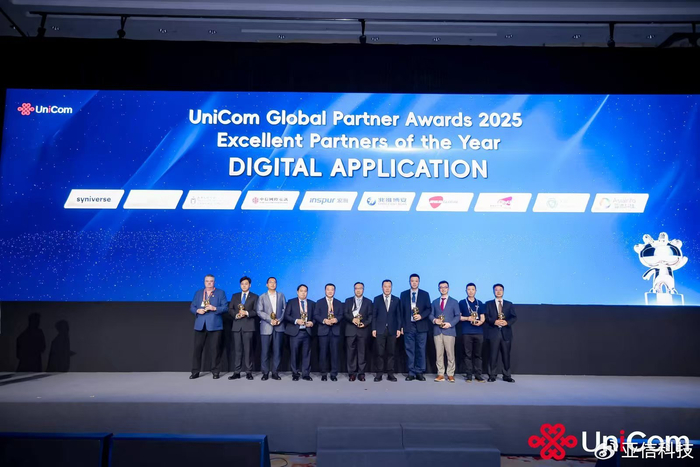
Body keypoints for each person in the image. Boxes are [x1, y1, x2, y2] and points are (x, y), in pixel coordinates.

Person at [189, 274, 229, 379]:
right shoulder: (198, 293)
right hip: (200, 325)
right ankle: (195, 372)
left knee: (215, 350)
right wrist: (197, 310)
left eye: (211, 281)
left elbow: (225, 308)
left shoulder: (220, 293)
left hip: (215, 325)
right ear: (204, 282)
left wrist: (214, 308)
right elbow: (192, 307)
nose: (209, 283)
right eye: (207, 281)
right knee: (197, 350)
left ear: (214, 282)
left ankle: (215, 371)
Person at [400, 274, 431, 381]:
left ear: (419, 282)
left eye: (416, 281)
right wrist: (401, 326)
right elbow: (401, 312)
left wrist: (421, 316)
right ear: (409, 282)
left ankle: (419, 372)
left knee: (421, 350)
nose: (414, 283)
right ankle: (411, 372)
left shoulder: (425, 294)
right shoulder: (403, 294)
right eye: (412, 281)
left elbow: (428, 309)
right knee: (409, 350)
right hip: (408, 326)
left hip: (421, 326)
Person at [228, 276, 258, 381]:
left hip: (248, 326)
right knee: (237, 350)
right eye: (242, 284)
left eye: (246, 284)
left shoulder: (255, 297)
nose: (244, 286)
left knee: (248, 350)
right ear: (240, 285)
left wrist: (247, 313)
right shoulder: (235, 296)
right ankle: (237, 372)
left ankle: (248, 372)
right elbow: (230, 309)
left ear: (250, 285)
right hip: (237, 326)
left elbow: (256, 311)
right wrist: (236, 315)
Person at [485, 283, 517, 383]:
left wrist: (507, 322)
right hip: (493, 332)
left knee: (506, 355)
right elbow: (486, 317)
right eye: (496, 290)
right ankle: (492, 375)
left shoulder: (509, 304)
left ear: (503, 291)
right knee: (493, 355)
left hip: (505, 333)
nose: (498, 292)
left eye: (500, 290)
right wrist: (494, 321)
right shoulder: (488, 304)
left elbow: (514, 317)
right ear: (493, 291)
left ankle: (507, 375)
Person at [429, 281, 461, 382]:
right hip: (437, 331)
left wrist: (450, 324)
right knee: (439, 354)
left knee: (450, 354)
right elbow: (430, 315)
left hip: (449, 331)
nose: (443, 289)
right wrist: (435, 320)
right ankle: (440, 373)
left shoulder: (454, 302)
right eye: (441, 287)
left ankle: (450, 374)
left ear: (448, 289)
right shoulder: (434, 302)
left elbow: (457, 316)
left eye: (445, 287)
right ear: (438, 289)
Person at [256, 277, 286, 381]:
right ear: (267, 284)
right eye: (270, 282)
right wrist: (270, 320)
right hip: (266, 327)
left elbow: (284, 309)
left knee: (277, 351)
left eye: (274, 282)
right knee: (265, 351)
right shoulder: (262, 297)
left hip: (279, 327)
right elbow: (259, 311)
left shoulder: (281, 295)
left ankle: (275, 372)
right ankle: (265, 372)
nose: (273, 284)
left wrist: (279, 320)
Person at [284, 284, 315, 381]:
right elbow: (286, 316)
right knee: (294, 354)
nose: (303, 293)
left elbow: (315, 317)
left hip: (307, 332)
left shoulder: (311, 303)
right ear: (297, 292)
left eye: (305, 291)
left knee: (306, 354)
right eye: (301, 291)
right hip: (295, 332)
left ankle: (306, 374)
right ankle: (295, 373)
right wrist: (296, 321)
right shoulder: (291, 302)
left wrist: (312, 323)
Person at [372, 279, 401, 382]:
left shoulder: (396, 299)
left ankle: (390, 374)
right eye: (385, 286)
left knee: (391, 353)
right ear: (382, 287)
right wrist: (374, 328)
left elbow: (398, 315)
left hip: (392, 330)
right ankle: (379, 374)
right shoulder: (377, 299)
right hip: (380, 330)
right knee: (379, 353)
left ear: (391, 288)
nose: (387, 289)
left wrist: (398, 328)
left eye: (389, 286)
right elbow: (374, 315)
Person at [344, 282, 373, 381]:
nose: (358, 290)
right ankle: (352, 373)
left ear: (363, 290)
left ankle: (361, 373)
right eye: (356, 288)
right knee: (350, 353)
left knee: (362, 353)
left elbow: (370, 316)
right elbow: (345, 313)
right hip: (350, 330)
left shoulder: (368, 302)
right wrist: (352, 319)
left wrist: (364, 323)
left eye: (360, 288)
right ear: (354, 290)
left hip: (363, 330)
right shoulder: (348, 301)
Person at [315, 283, 344, 381]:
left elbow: (341, 315)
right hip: (323, 331)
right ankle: (323, 373)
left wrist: (337, 319)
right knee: (323, 353)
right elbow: (316, 315)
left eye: (332, 289)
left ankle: (333, 374)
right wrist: (324, 320)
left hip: (335, 331)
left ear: (334, 291)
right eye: (328, 289)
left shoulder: (338, 303)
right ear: (325, 291)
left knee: (334, 353)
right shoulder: (319, 302)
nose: (330, 291)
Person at [458, 283, 486, 382]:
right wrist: (468, 318)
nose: (470, 291)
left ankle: (478, 375)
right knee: (467, 355)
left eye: (472, 289)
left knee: (478, 355)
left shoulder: (480, 303)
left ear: (475, 291)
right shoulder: (462, 302)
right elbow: (459, 317)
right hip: (467, 332)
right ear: (466, 291)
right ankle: (469, 375)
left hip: (478, 332)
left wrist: (480, 322)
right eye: (468, 289)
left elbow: (482, 317)